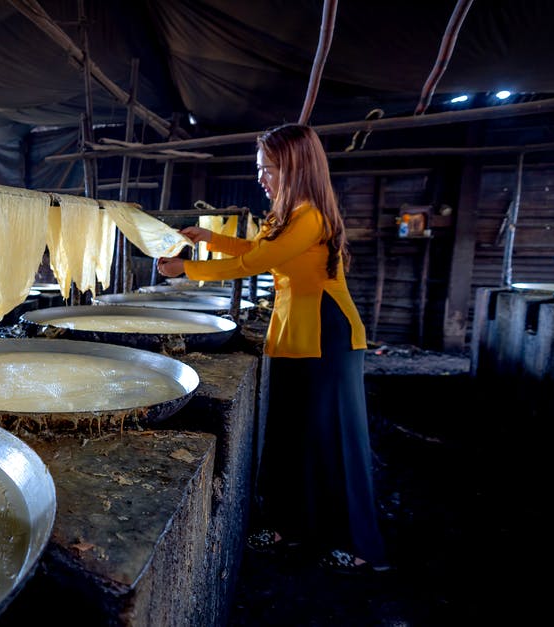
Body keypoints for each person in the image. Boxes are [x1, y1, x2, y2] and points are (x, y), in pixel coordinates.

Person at [156, 123, 388, 574]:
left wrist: (188, 269)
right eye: (260, 169)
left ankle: (358, 544)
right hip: (293, 332)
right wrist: (209, 239)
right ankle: (288, 525)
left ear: (296, 168)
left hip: (328, 336)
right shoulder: (288, 215)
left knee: (333, 438)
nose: (262, 178)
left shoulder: (311, 217)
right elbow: (257, 249)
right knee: (288, 435)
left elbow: (256, 262)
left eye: (269, 169)